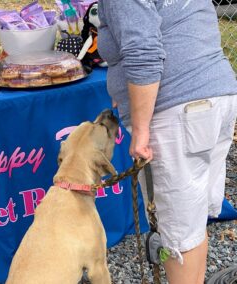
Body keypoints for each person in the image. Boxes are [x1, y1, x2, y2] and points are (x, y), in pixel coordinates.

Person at [97, 1, 237, 283]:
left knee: (178, 236)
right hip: (216, 95)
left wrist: (141, 130)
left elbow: (143, 52)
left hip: (177, 109)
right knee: (191, 225)